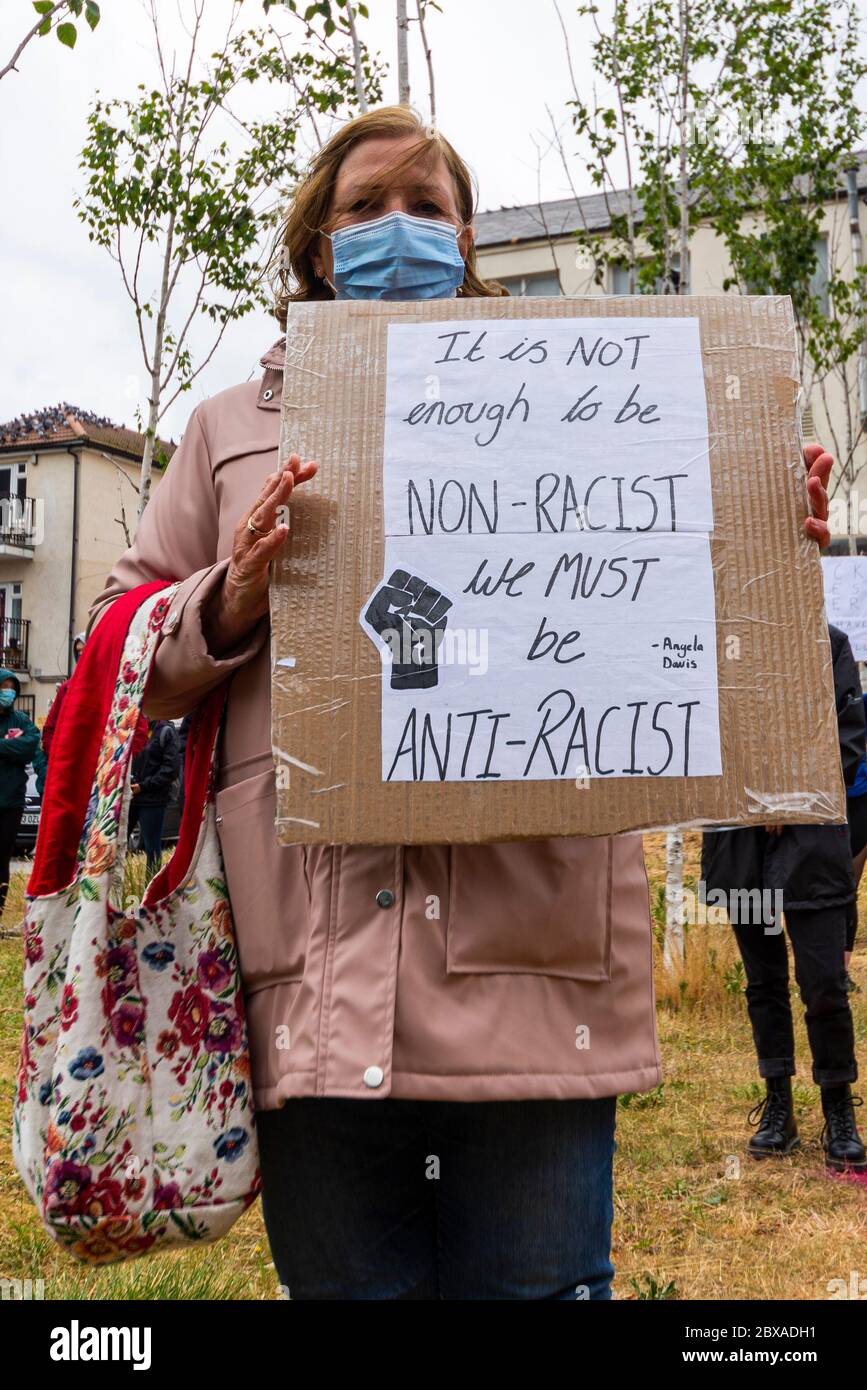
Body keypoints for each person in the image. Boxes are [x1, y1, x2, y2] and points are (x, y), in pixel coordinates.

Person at [88, 106, 836, 1300]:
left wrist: (757, 532)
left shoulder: (586, 406)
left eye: (427, 208)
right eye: (366, 207)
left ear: (469, 235)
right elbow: (114, 653)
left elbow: (673, 612)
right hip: (313, 977)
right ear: (319, 248)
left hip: (535, 968)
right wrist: (228, 599)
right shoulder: (230, 429)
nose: (400, 230)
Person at [701, 622, 866, 1174]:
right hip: (741, 839)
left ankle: (839, 1110)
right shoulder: (717, 639)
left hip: (810, 840)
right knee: (762, 980)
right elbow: (709, 729)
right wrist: (755, 801)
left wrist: (790, 798)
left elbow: (846, 736)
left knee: (823, 984)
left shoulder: (827, 643)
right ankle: (779, 1105)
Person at [0, 669, 40, 916]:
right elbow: (19, 748)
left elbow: (29, 746)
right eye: (3, 686)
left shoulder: (21, 720)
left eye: (11, 687)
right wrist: (10, 747)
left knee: (2, 857)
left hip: (12, 801)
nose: (8, 691)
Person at [129, 718, 180, 879]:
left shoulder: (166, 731)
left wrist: (144, 786)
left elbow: (171, 770)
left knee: (152, 850)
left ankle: (151, 894)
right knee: (118, 844)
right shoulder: (133, 727)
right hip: (131, 798)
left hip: (153, 799)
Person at [845, 671, 867, 987]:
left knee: (847, 886)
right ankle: (840, 967)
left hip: (860, 798)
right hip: (841, 801)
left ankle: (842, 966)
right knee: (842, 886)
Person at [41, 631, 86, 758]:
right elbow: (49, 729)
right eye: (78, 651)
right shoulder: (66, 689)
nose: (81, 654)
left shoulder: (110, 685)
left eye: (85, 649)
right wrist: (57, 757)